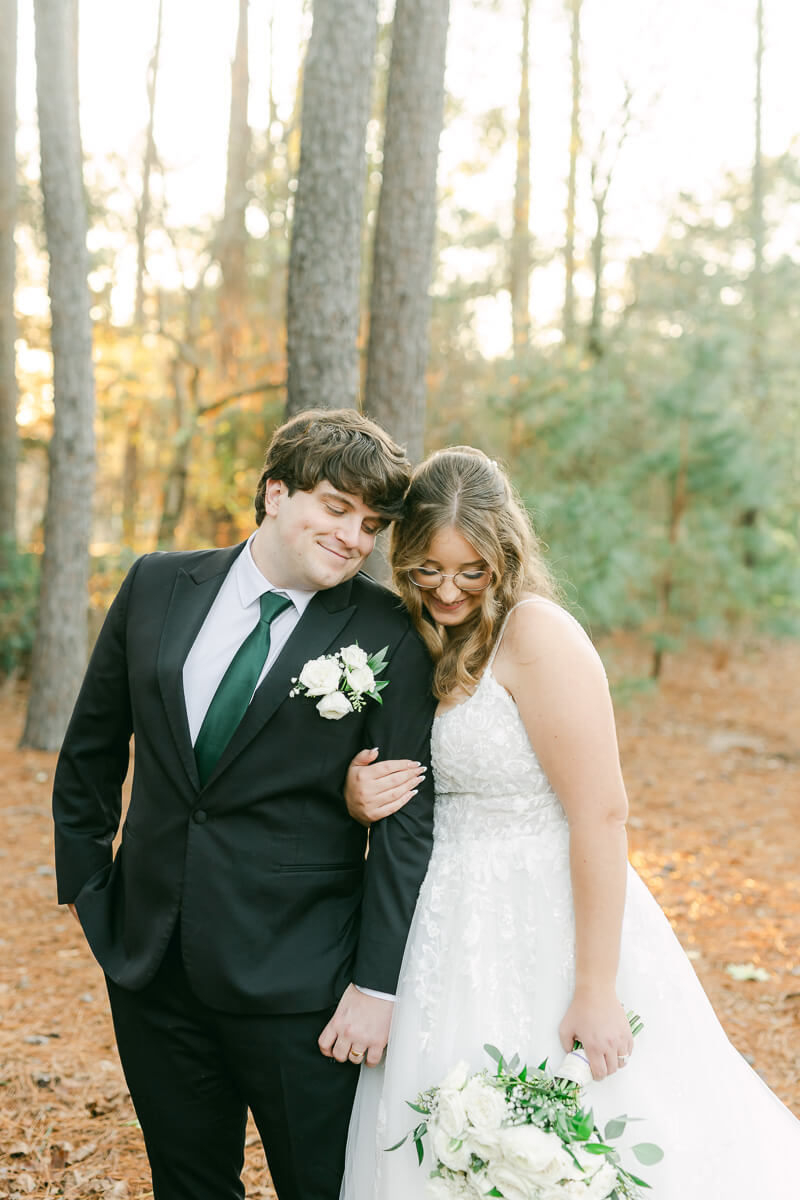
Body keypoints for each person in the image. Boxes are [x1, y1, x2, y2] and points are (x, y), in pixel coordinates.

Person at [339, 446, 800, 1199]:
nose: (447, 590)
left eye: (470, 572)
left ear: (505, 555)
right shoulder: (423, 636)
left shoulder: (536, 633)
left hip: (545, 918)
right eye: (426, 570)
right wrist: (357, 794)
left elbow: (602, 813)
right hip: (443, 929)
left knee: (571, 1143)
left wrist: (595, 986)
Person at [52, 409, 437, 1200]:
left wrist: (377, 985)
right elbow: (91, 751)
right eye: (336, 508)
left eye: (371, 525)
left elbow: (407, 824)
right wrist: (92, 894)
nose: (354, 538)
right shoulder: (158, 583)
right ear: (274, 493)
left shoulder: (388, 629)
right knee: (188, 1186)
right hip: (150, 964)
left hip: (304, 982)